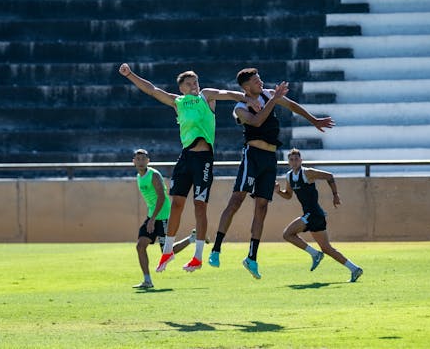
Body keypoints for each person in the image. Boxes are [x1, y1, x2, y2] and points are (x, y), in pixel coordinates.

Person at [119, 63, 258, 273]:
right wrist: (130, 74)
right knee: (176, 204)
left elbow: (227, 93)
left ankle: (198, 256)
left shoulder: (206, 96)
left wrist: (249, 98)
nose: (194, 85)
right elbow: (152, 90)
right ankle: (168, 251)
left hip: (203, 159)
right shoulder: (178, 102)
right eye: (189, 83)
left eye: (196, 82)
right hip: (185, 158)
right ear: (181, 87)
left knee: (199, 206)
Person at [208, 68, 335, 279]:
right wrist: (274, 100)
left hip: (270, 159)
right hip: (253, 156)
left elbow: (292, 105)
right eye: (256, 80)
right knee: (236, 200)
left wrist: (314, 120)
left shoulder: (268, 95)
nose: (261, 82)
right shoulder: (240, 108)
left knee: (262, 206)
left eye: (260, 78)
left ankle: (252, 257)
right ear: (246, 86)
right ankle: (216, 249)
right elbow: (256, 121)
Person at [274, 148, 363, 282]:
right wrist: (278, 191)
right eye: (291, 159)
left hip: (314, 213)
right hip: (313, 215)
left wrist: (335, 195)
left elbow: (329, 176)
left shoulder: (308, 172)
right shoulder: (289, 176)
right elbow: (288, 195)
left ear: (301, 160)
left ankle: (315, 254)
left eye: (296, 159)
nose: (294, 162)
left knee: (287, 234)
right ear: (288, 162)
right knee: (327, 248)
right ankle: (354, 269)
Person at [131, 149, 206, 289]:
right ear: (133, 161)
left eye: (143, 158)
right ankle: (147, 281)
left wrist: (153, 219)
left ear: (148, 161)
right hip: (152, 215)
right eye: (138, 158)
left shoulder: (153, 175)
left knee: (167, 250)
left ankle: (192, 239)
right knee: (140, 246)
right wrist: (151, 218)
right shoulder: (138, 176)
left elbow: (161, 197)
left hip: (163, 216)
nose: (140, 161)